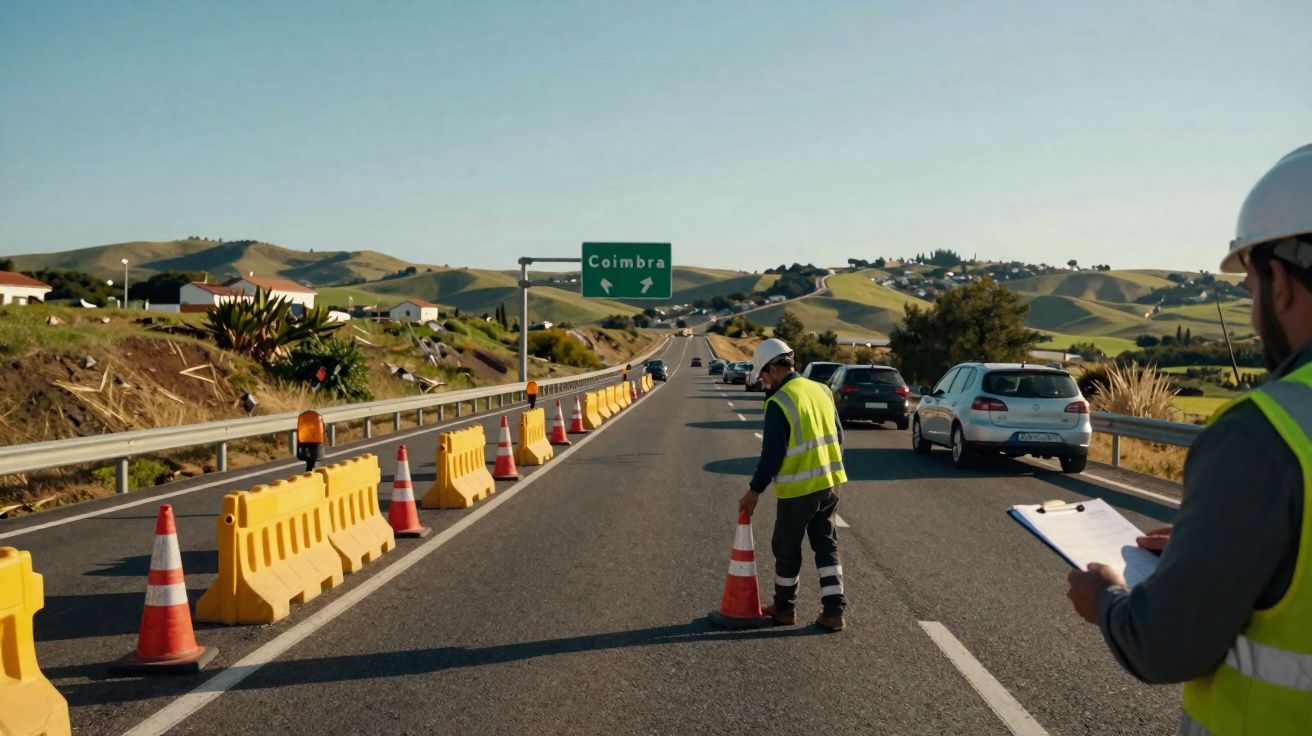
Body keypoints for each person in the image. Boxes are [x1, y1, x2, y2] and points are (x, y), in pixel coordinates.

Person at [1066, 144, 1312, 733]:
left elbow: (1165, 644)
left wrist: (1106, 598)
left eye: (1251, 287)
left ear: (1279, 282)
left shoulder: (1265, 433)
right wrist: (1223, 542)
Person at [738, 338, 849, 631]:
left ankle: (784, 609)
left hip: (798, 490)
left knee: (786, 548)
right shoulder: (822, 390)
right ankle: (834, 612)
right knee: (826, 545)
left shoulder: (780, 402)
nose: (763, 381)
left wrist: (754, 491)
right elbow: (839, 436)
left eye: (763, 375)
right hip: (829, 484)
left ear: (774, 369)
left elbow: (771, 456)